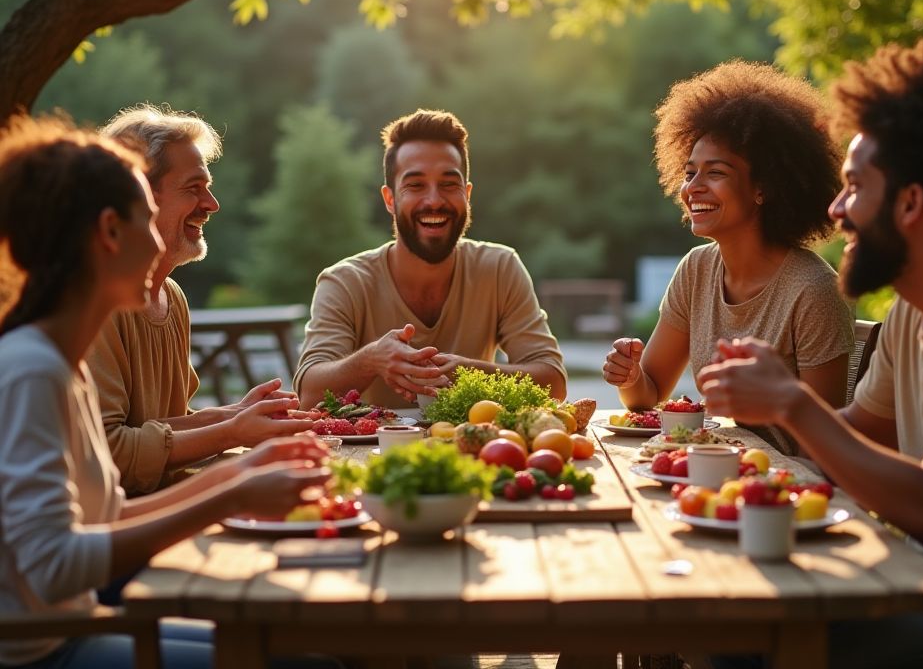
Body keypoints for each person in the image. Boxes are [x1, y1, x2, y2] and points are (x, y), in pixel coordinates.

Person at [699, 40, 923, 668]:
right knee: (719, 604)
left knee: (744, 642)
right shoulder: (913, 310)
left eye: (854, 187)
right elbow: (856, 437)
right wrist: (740, 465)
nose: (835, 209)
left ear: (910, 203)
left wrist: (792, 402)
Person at [0, 117, 335, 669]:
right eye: (145, 223)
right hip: (44, 653)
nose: (158, 243)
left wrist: (236, 475)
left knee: (310, 652)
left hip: (77, 629)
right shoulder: (32, 369)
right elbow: (53, 564)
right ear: (109, 233)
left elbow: (102, 521)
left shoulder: (64, 366)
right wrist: (229, 496)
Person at [603, 61, 853, 456]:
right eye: (689, 173)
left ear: (763, 188)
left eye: (715, 173)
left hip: (785, 488)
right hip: (720, 468)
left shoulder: (813, 291)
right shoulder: (697, 269)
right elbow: (647, 396)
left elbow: (828, 446)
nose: (692, 188)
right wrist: (630, 376)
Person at [90, 104, 314, 495]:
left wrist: (236, 414)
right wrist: (229, 431)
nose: (212, 205)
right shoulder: (95, 299)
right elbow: (106, 448)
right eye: (193, 188)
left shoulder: (171, 297)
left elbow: (159, 429)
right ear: (138, 195)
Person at [295, 109, 567, 410]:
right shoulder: (345, 281)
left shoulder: (500, 268)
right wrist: (373, 359)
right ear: (390, 199)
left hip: (477, 449)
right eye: (415, 185)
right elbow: (309, 395)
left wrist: (468, 373)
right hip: (370, 454)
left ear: (467, 194)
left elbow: (553, 383)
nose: (434, 200)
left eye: (449, 184)